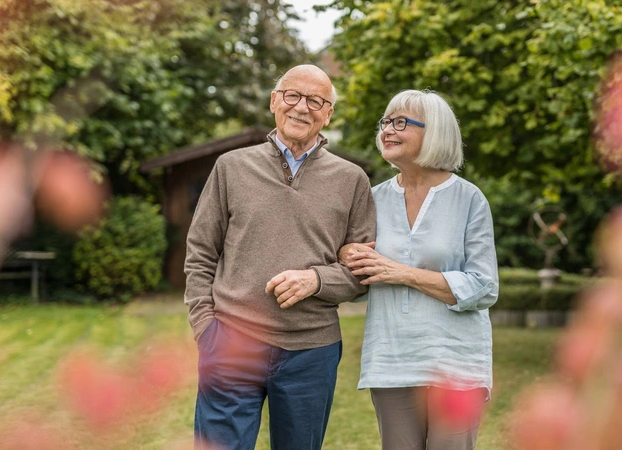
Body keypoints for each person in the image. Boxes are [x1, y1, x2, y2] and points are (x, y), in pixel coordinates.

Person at [184, 64, 376, 450]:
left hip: (312, 351)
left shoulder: (352, 180)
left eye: (315, 100)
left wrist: (316, 281)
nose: (301, 107)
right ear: (275, 101)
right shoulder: (232, 168)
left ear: (328, 114)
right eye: (292, 95)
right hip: (232, 341)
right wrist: (205, 326)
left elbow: (361, 274)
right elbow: (201, 252)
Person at [339, 90, 499, 450]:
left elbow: (485, 286)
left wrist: (402, 273)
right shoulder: (372, 198)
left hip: (456, 364)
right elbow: (354, 257)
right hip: (392, 359)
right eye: (385, 122)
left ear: (435, 132)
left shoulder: (469, 198)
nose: (387, 131)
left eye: (400, 123)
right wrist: (346, 250)